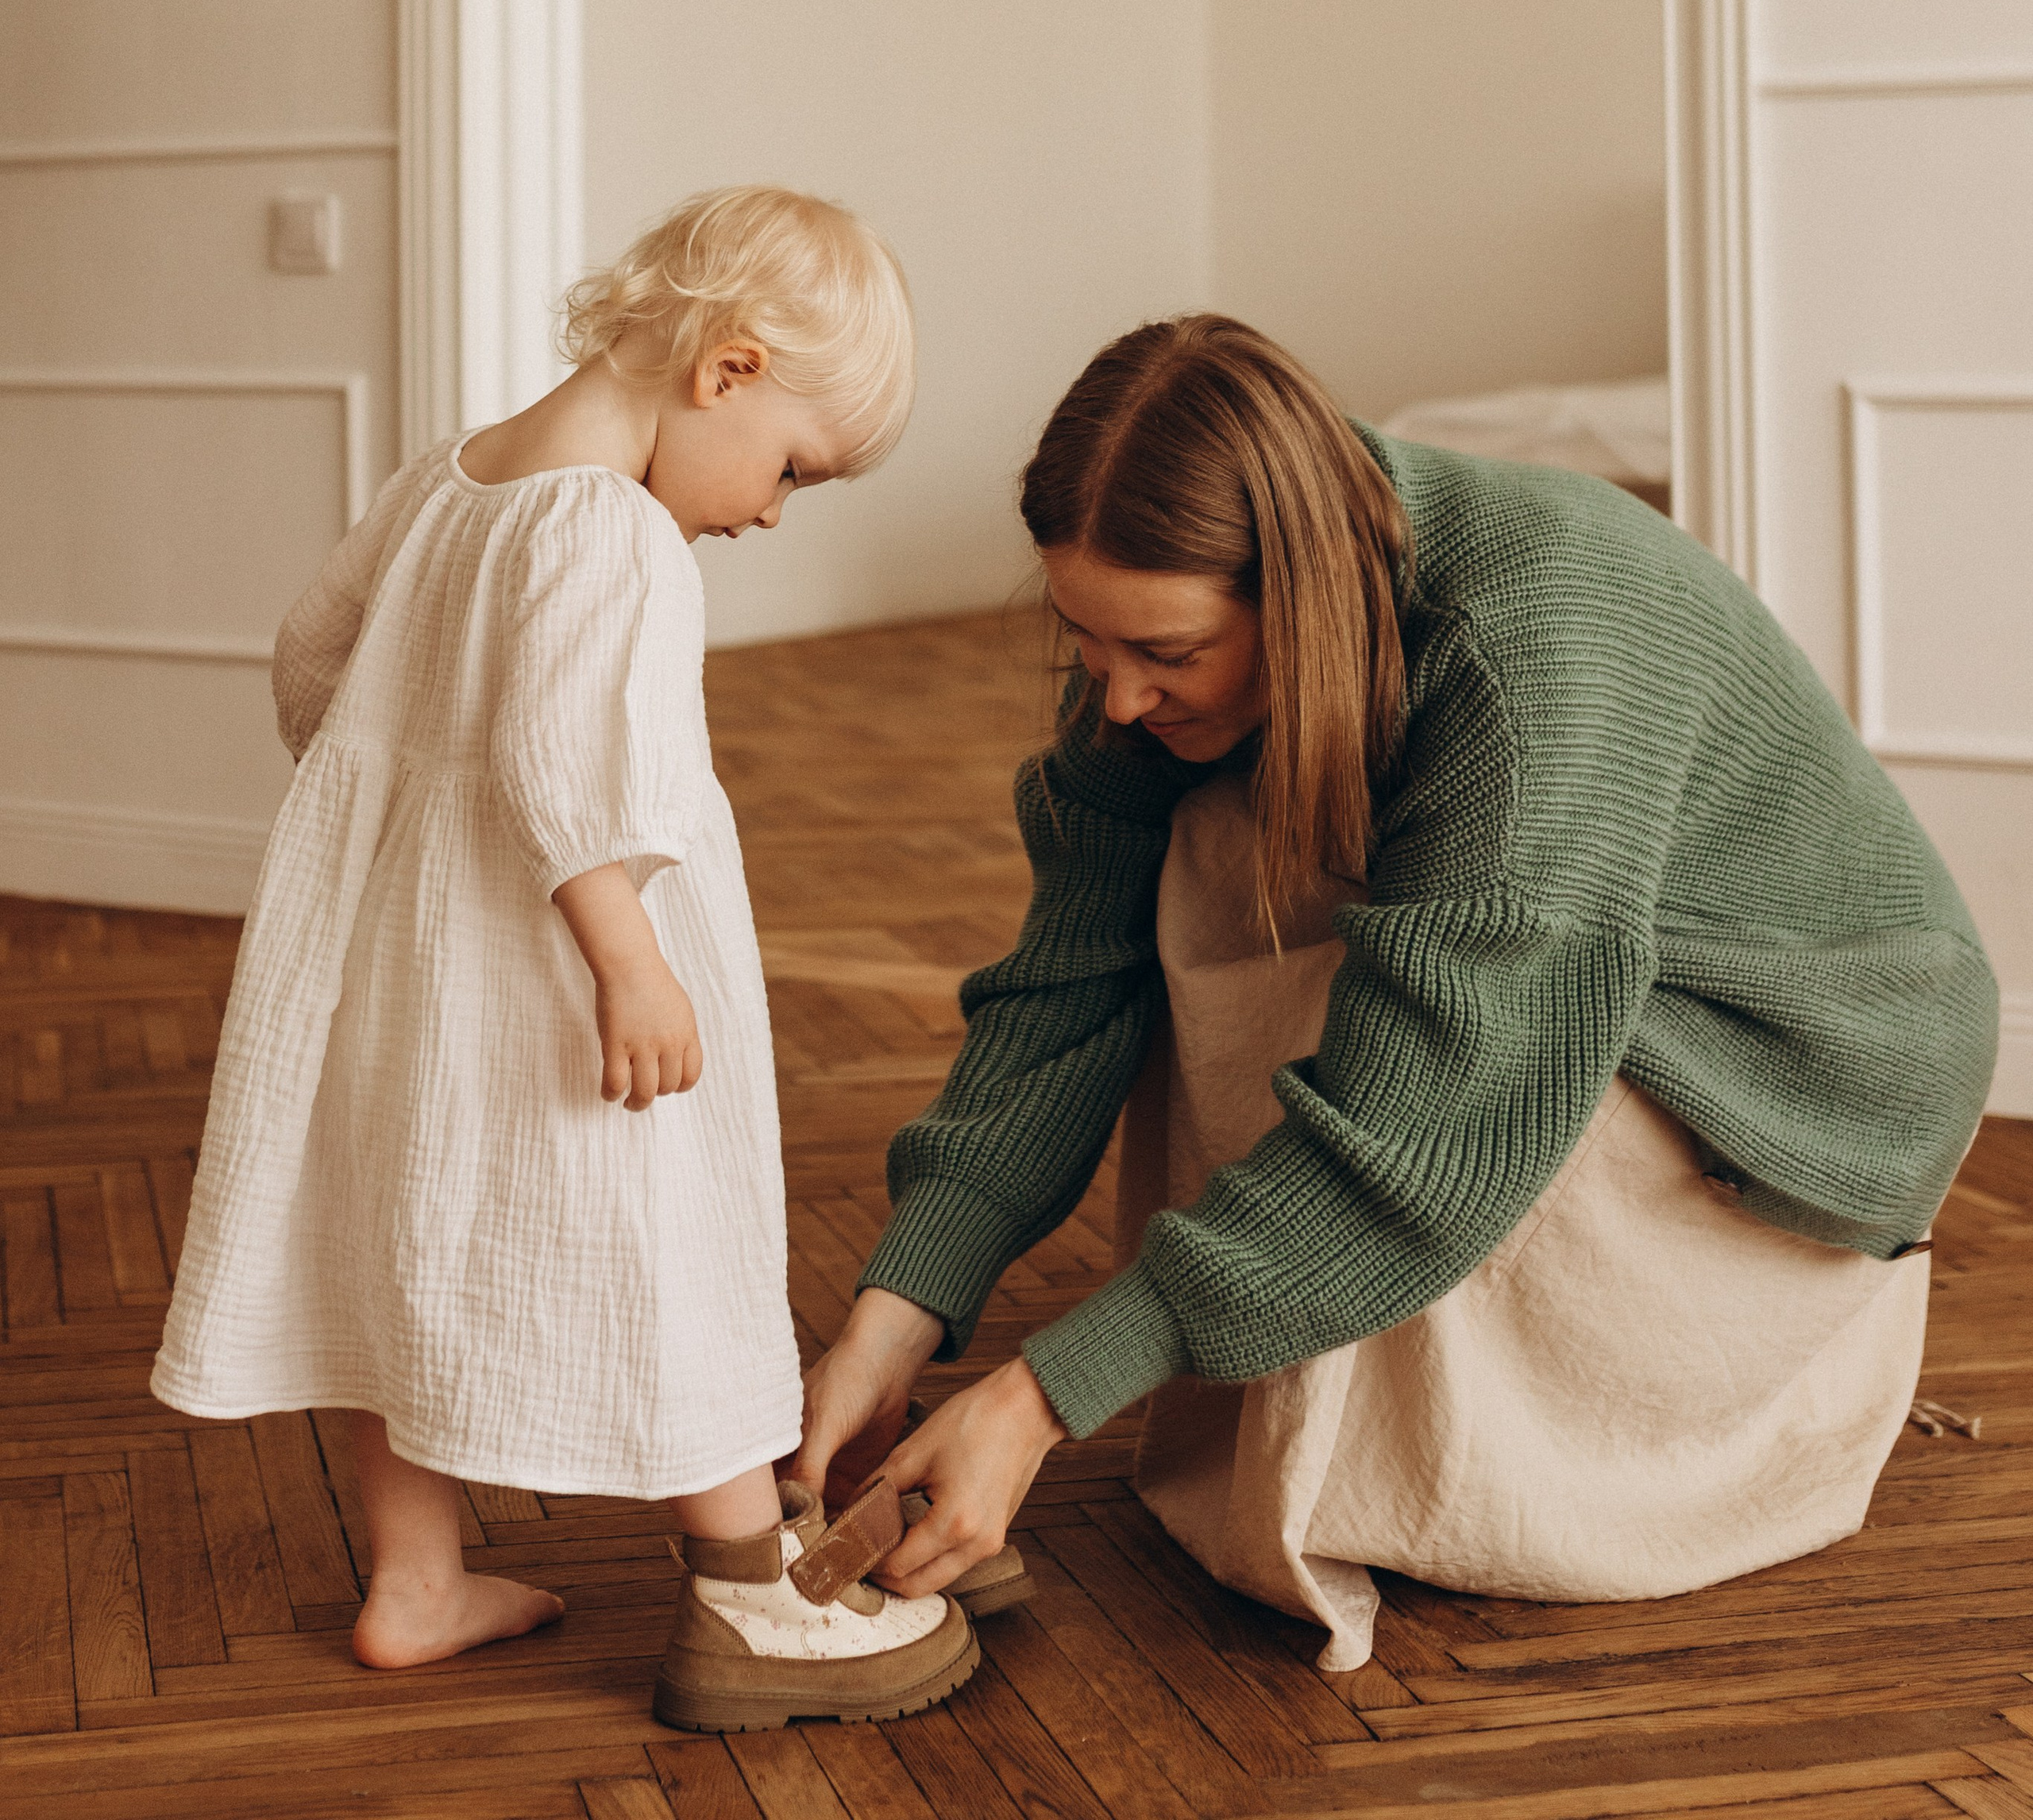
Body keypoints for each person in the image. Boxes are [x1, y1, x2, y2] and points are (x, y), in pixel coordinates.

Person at [797, 314, 1998, 1671]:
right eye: (1086, 641)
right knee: (1205, 845)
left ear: (1298, 596)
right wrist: (897, 1314)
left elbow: (1418, 1141)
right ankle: (1298, 1369)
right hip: (1588, 973)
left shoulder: (1522, 664)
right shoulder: (1177, 643)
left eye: (1169, 655)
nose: (1119, 698)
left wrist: (1039, 1401)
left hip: (1803, 1067)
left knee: (1361, 972)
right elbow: (1063, 991)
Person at [153, 185, 976, 1728]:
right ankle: (751, 1596)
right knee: (667, 1236)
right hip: (562, 978)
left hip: (404, 966)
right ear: (728, 370)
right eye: (792, 470)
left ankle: (415, 1583)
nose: (771, 513)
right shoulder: (612, 529)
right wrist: (629, 959)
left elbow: (312, 660)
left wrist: (393, 830)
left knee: (396, 1240)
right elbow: (560, 767)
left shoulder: (449, 480)